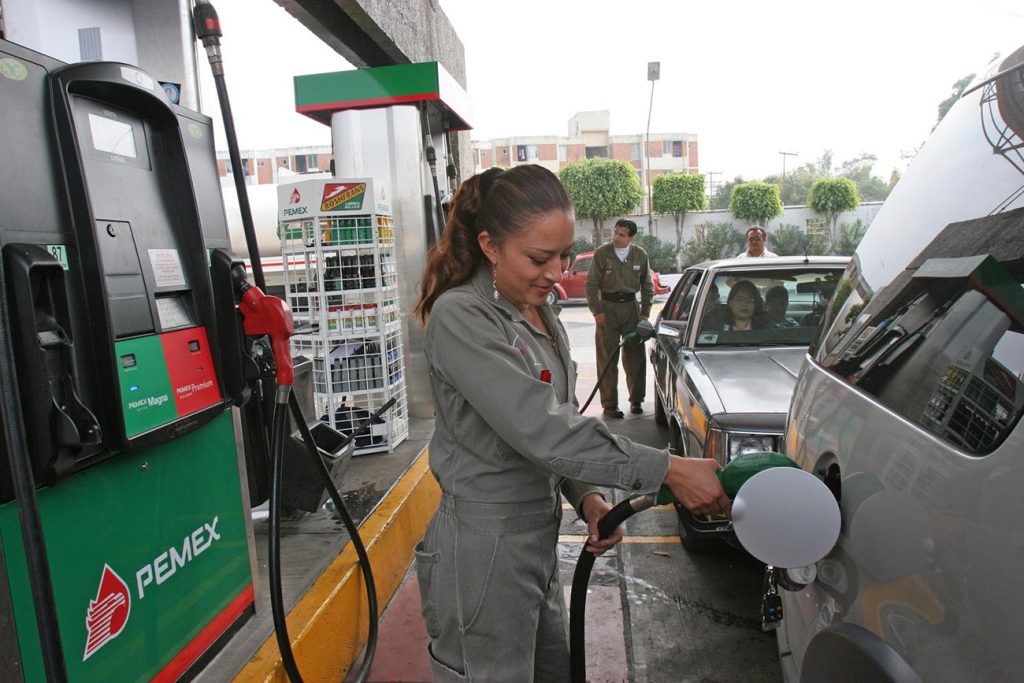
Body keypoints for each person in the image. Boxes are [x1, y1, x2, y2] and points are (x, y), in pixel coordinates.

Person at [412, 165, 730, 682]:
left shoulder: (540, 310)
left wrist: (586, 496)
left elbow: (556, 420)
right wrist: (669, 469)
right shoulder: (462, 317)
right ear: (490, 245)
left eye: (563, 255)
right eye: (539, 258)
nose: (557, 272)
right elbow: (541, 429)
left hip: (537, 537)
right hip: (483, 545)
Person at [583, 219, 654, 418]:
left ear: (631, 237)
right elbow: (590, 285)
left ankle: (636, 400)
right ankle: (609, 405)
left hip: (632, 309)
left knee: (635, 358)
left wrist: (644, 314)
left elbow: (647, 286)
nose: (616, 238)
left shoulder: (640, 255)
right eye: (615, 233)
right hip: (607, 309)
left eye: (622, 235)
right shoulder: (602, 254)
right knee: (607, 358)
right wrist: (596, 312)